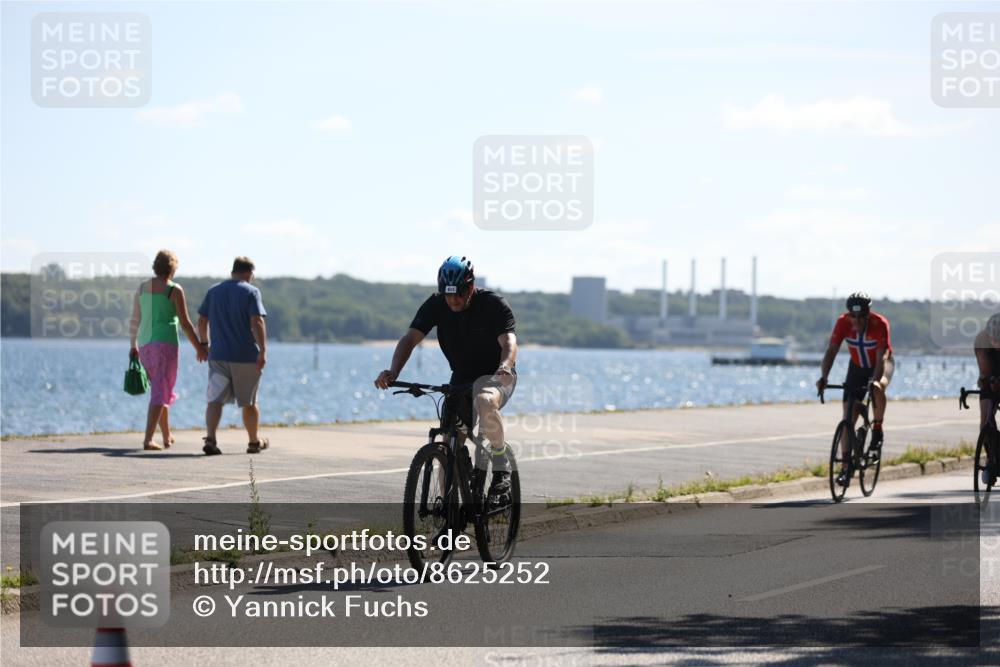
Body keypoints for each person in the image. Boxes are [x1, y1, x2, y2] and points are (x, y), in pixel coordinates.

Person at [374, 256, 518, 498]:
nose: (453, 300)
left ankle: (501, 463)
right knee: (450, 442)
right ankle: (447, 516)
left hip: (496, 375)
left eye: (459, 294)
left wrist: (505, 365)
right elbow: (410, 339)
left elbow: (509, 342)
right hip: (461, 377)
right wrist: (393, 371)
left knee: (484, 400)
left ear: (470, 287)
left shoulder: (493, 304)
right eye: (448, 294)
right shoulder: (437, 304)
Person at [129, 250, 207, 450]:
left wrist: (133, 345)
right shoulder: (174, 289)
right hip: (165, 345)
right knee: (160, 391)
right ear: (172, 268)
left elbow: (135, 319)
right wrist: (199, 347)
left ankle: (166, 435)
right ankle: (148, 439)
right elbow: (186, 323)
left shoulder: (142, 288)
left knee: (160, 388)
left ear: (156, 266)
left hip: (145, 344)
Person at [816, 292, 894, 486]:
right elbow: (832, 351)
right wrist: (824, 378)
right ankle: (845, 468)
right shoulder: (842, 323)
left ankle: (877, 429)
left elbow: (882, 357)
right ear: (848, 315)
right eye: (854, 316)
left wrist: (876, 381)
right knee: (847, 417)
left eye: (861, 317)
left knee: (877, 389)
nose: (857, 321)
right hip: (857, 367)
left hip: (881, 365)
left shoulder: (880, 323)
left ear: (868, 315)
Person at [197, 256, 269, 456]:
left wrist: (204, 344)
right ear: (249, 273)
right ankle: (253, 442)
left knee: (214, 400)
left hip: (218, 356)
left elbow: (202, 321)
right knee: (249, 402)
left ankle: (210, 438)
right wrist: (263, 350)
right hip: (245, 357)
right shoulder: (252, 291)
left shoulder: (214, 291)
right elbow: (257, 322)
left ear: (233, 271)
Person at [974, 313, 1000, 485]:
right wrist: (987, 380)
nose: (996, 344)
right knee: (985, 420)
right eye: (994, 339)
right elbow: (984, 371)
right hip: (993, 372)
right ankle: (993, 459)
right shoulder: (981, 340)